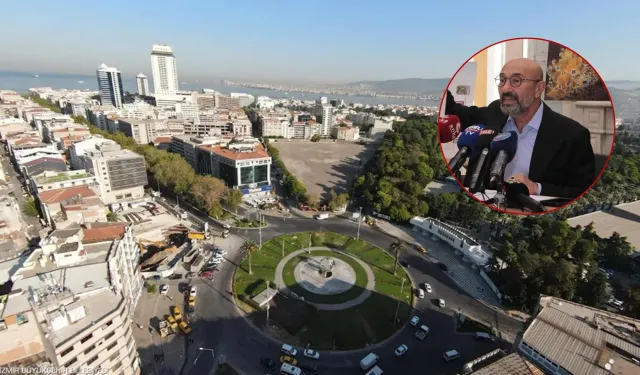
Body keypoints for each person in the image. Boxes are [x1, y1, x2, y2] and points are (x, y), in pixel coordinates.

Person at [444, 58, 595, 199]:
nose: (505, 88)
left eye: (516, 81)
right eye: (502, 80)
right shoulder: (494, 112)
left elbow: (582, 191)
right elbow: (452, 109)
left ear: (538, 89)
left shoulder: (572, 135)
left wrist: (537, 188)